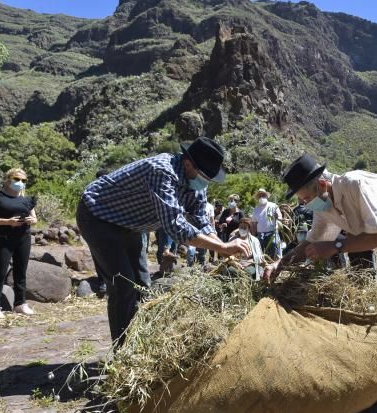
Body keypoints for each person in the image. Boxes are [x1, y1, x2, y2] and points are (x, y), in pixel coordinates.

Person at [265, 154, 377, 400]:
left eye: (306, 199)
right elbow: (312, 241)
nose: (305, 204)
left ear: (322, 185)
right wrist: (280, 263)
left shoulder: (357, 185)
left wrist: (335, 246)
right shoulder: (324, 206)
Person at [77, 137, 250, 345]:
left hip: (131, 224)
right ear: (188, 164)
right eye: (204, 177)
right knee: (123, 285)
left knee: (142, 284)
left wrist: (223, 248)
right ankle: (122, 352)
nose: (205, 183)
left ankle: (138, 345)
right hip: (98, 215)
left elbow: (200, 219)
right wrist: (222, 246)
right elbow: (177, 227)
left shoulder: (197, 183)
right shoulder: (161, 171)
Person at [0, 168, 37, 318]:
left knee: (21, 271)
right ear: (8, 179)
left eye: (23, 180)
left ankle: (20, 303)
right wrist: (7, 222)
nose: (20, 182)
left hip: (23, 237)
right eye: (16, 179)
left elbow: (35, 219)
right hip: (2, 238)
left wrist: (32, 220)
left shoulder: (27, 200)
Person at [252, 188, 282, 261]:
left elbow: (280, 218)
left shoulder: (273, 206)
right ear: (258, 198)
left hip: (273, 233)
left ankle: (278, 263)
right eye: (259, 196)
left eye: (263, 195)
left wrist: (277, 217)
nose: (261, 197)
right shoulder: (256, 209)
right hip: (260, 235)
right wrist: (253, 235)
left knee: (276, 252)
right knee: (261, 254)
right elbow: (254, 223)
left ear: (266, 196)